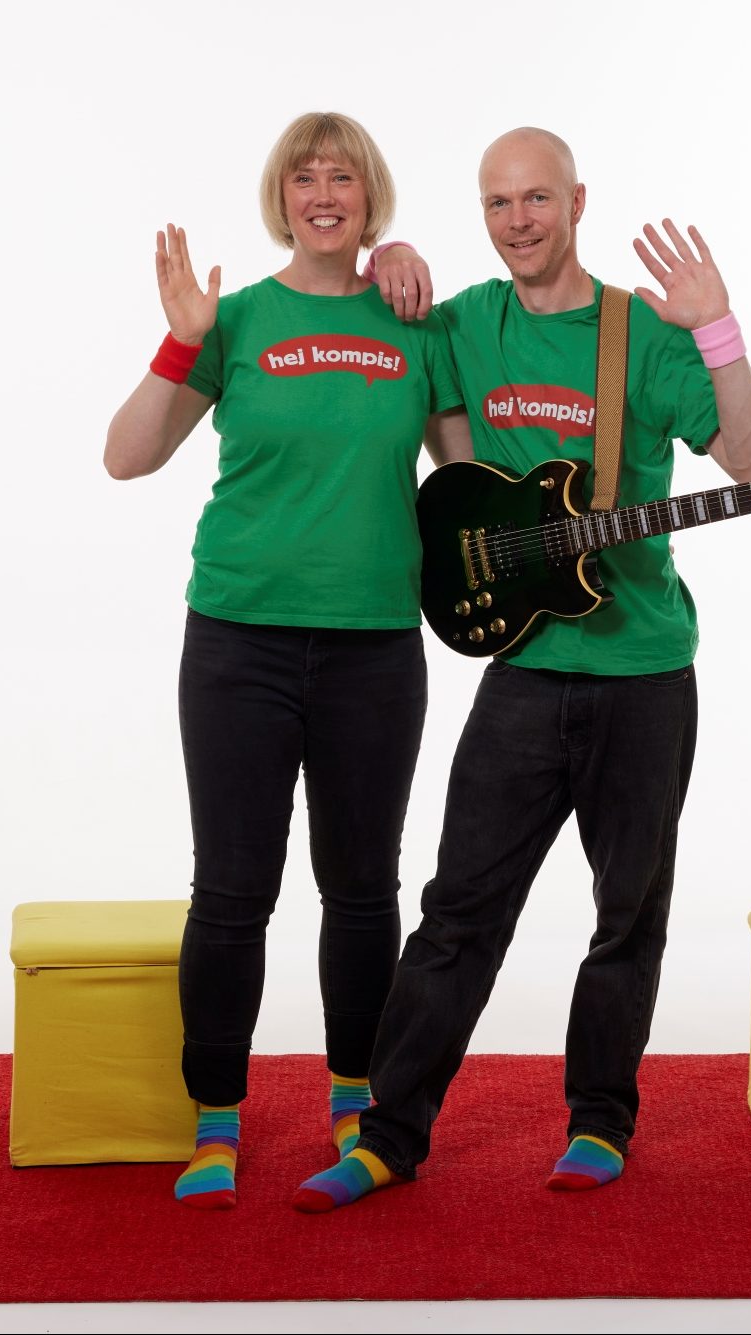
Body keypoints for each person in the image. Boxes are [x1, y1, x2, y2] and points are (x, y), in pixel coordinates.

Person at [293, 126, 751, 1212]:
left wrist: (717, 331)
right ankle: (389, 1135)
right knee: (458, 911)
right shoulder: (467, 321)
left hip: (643, 670)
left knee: (627, 913)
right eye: (497, 203)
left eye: (537, 199)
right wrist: (389, 251)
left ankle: (600, 1120)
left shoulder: (641, 335)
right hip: (521, 666)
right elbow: (382, 342)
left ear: (577, 202)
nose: (517, 221)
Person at [103, 112, 469, 1210]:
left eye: (342, 177)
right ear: (281, 198)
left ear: (370, 197)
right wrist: (181, 340)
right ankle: (215, 1118)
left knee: (361, 891)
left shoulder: (414, 322)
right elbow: (126, 456)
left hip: (373, 647)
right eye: (304, 178)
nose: (323, 194)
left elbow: (467, 485)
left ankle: (356, 1102)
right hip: (237, 641)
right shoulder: (236, 321)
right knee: (231, 891)